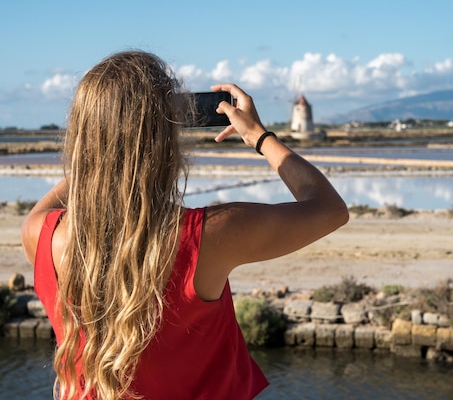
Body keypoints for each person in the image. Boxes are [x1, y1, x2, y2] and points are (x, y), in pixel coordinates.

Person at [21, 50, 349, 400]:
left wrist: (102, 147)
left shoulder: (40, 234)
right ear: (164, 138)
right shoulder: (209, 235)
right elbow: (329, 209)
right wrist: (259, 136)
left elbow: (79, 187)